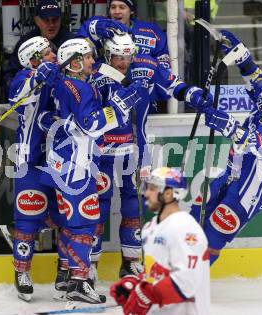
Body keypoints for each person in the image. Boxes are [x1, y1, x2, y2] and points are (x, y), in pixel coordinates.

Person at [89, 32, 213, 281]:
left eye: (127, 56)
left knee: (134, 203)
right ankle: (89, 263)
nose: (123, 62)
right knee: (97, 206)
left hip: (137, 150)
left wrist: (194, 95)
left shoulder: (147, 65)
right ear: (107, 54)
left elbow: (172, 84)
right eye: (117, 57)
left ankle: (131, 261)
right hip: (100, 151)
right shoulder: (96, 73)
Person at [39, 38, 145, 308]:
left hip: (63, 161)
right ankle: (78, 280)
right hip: (74, 164)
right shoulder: (79, 87)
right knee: (85, 221)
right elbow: (91, 124)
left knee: (70, 222)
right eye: (86, 58)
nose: (92, 62)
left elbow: (49, 117)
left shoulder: (64, 83)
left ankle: (65, 278)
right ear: (74, 62)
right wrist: (120, 105)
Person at [191, 30, 262, 265]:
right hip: (231, 175)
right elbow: (255, 76)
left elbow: (254, 143)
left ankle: (189, 284)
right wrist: (241, 56)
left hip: (249, 191)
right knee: (193, 220)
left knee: (213, 237)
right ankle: (174, 272)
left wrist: (224, 121)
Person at [8, 35, 65, 302]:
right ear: (34, 59)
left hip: (61, 160)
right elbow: (17, 97)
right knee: (28, 218)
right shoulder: (24, 77)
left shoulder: (60, 76)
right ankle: (22, 272)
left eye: (52, 51)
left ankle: (66, 273)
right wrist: (39, 76)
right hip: (29, 159)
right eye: (46, 52)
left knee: (66, 218)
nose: (53, 54)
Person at [110, 167, 210, 315]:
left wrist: (147, 294)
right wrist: (135, 285)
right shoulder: (151, 227)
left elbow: (187, 280)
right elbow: (156, 272)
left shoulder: (185, 227)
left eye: (152, 188)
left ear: (168, 193)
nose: (146, 193)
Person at [4, 0, 75, 95]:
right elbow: (11, 76)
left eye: (55, 19)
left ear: (60, 19)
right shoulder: (26, 42)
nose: (51, 24)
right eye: (46, 20)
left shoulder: (72, 41)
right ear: (37, 21)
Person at [78, 0, 171, 69]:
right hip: (106, 86)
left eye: (122, 7)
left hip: (143, 87)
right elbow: (78, 49)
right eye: (113, 7)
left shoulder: (151, 30)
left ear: (131, 11)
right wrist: (93, 31)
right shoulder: (99, 25)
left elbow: (164, 61)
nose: (117, 11)